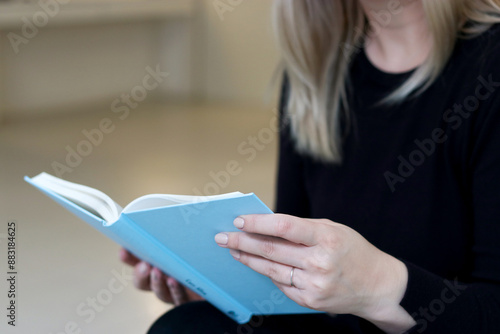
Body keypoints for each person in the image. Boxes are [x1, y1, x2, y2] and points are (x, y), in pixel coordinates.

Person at [121, 0, 500, 333]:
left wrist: (378, 285)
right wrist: (218, 285)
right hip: (337, 326)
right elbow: (293, 288)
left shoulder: (489, 69)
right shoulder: (314, 78)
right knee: (184, 327)